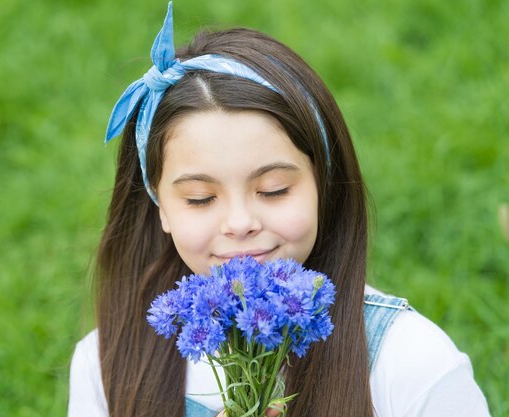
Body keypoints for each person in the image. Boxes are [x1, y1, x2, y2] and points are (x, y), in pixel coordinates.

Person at [67, 3, 491, 417]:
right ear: (160, 205)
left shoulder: (413, 365)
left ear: (323, 184)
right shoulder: (105, 364)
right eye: (200, 198)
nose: (240, 224)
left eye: (273, 190)